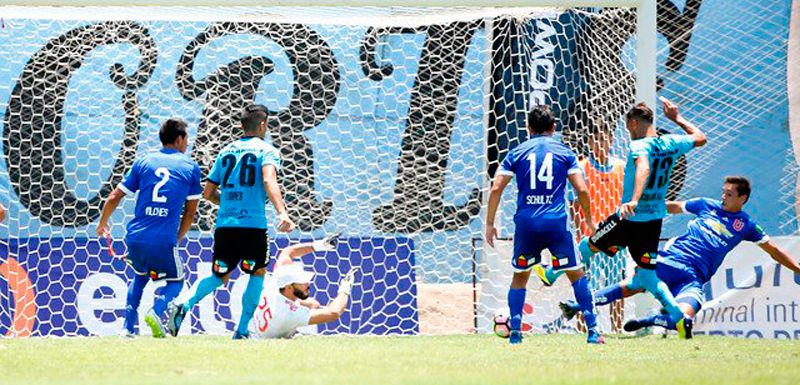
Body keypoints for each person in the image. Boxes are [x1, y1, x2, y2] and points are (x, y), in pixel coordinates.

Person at [561, 176, 800, 334]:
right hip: (671, 260)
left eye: (729, 194)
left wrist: (798, 269)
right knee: (632, 285)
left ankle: (652, 318)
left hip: (694, 276)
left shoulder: (747, 225)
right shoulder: (706, 205)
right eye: (723, 192)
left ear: (742, 199)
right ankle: (579, 304)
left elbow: (775, 251)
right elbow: (674, 206)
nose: (723, 197)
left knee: (689, 313)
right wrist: (644, 206)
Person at [569, 97, 707, 339]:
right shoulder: (671, 142)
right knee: (645, 277)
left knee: (589, 251)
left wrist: (634, 199)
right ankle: (679, 318)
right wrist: (677, 118)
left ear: (632, 124)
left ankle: (551, 273)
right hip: (651, 221)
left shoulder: (636, 151)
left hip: (629, 220)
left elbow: (643, 168)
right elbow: (700, 138)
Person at [168, 104, 295, 339]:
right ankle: (242, 330)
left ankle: (183, 303)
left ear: (240, 126)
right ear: (263, 125)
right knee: (257, 272)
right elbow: (268, 179)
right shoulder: (267, 151)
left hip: (225, 225)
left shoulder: (226, 152)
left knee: (220, 276)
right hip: (253, 226)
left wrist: (228, 203)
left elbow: (207, 193)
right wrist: (282, 213)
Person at [485, 105, 603, 344]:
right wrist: (590, 220)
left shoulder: (516, 152)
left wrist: (489, 223)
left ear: (528, 128)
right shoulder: (565, 153)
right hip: (556, 223)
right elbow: (581, 188)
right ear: (554, 127)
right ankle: (593, 332)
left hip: (527, 224)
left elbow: (496, 187)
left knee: (520, 277)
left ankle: (515, 334)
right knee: (576, 274)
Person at [95, 118, 202, 338]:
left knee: (140, 275)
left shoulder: (143, 162)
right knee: (176, 282)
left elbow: (115, 196)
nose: (187, 144)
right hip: (163, 238)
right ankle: (156, 311)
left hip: (135, 237)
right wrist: (177, 238)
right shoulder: (190, 167)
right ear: (180, 139)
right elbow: (190, 213)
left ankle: (127, 328)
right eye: (187, 139)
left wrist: (102, 223)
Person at [534, 118, 627, 332]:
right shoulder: (582, 167)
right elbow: (575, 204)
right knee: (585, 287)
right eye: (595, 139)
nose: (600, 143)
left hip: (616, 240)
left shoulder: (621, 167)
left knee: (616, 287)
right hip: (589, 239)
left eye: (603, 139)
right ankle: (584, 331)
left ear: (611, 140)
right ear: (589, 142)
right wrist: (580, 233)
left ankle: (617, 330)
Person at [251, 233, 358, 339]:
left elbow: (288, 252)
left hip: (264, 325)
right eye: (302, 282)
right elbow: (333, 313)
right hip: (271, 342)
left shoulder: (277, 281)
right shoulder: (289, 314)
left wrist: (320, 245)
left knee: (313, 304)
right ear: (289, 287)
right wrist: (345, 288)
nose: (308, 284)